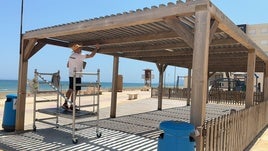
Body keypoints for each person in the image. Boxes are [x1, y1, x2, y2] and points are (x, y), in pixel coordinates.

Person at [62, 43, 100, 110]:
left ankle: (66, 103)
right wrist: (96, 48)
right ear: (76, 49)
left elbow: (67, 65)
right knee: (75, 90)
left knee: (71, 89)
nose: (81, 49)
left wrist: (78, 63)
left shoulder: (71, 56)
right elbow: (91, 55)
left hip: (71, 75)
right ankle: (71, 105)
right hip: (77, 75)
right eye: (79, 48)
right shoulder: (79, 55)